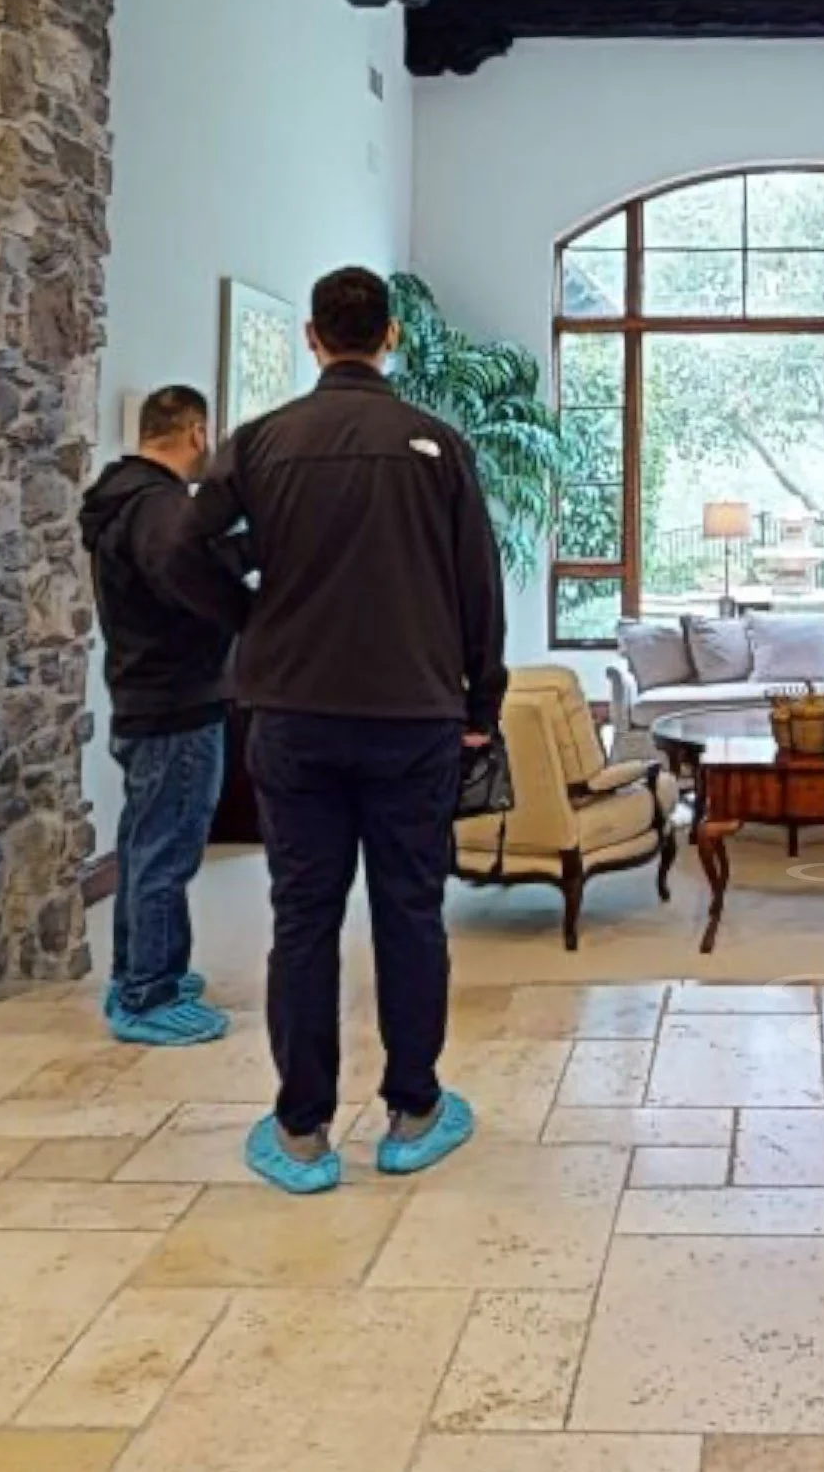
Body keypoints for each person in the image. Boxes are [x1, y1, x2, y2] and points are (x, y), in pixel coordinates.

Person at [167, 265, 507, 1194]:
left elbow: (179, 547)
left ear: (313, 340)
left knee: (303, 918)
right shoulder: (438, 444)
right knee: (410, 912)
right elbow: (480, 587)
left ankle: (303, 1132)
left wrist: (251, 620)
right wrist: (482, 707)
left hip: (294, 718)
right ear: (389, 336)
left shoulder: (263, 444)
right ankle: (415, 1111)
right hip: (416, 721)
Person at [79, 384, 242, 1049]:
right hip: (175, 700)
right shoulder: (162, 509)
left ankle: (137, 972)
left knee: (146, 843)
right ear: (197, 433)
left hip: (143, 694)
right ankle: (150, 992)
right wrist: (245, 611)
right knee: (165, 850)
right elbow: (185, 574)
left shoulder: (121, 501)